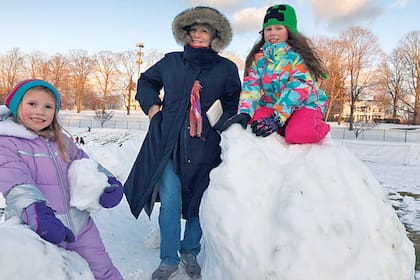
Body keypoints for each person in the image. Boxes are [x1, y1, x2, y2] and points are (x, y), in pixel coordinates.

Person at [123, 6, 241, 280]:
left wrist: (225, 122)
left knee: (199, 202)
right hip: (169, 144)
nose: (198, 35)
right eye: (194, 30)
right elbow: (146, 81)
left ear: (215, 36)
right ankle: (168, 258)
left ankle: (190, 251)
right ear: (185, 34)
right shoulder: (171, 61)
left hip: (207, 146)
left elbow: (233, 102)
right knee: (172, 201)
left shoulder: (226, 68)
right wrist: (153, 107)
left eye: (205, 31)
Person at [0, 79, 124, 280]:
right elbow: (15, 180)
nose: (40, 111)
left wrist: (107, 182)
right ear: (16, 106)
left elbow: (86, 164)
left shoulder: (60, 141)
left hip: (81, 225)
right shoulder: (6, 143)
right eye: (32, 104)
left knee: (103, 270)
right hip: (38, 228)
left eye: (48, 106)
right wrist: (36, 212)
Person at [221, 4, 330, 144]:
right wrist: (245, 112)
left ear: (289, 31)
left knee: (298, 134)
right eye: (268, 29)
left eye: (279, 28)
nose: (272, 33)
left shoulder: (297, 57)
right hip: (273, 105)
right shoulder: (258, 59)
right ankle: (286, 124)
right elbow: (251, 87)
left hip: (304, 105)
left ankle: (315, 125)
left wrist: (277, 118)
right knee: (253, 124)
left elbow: (298, 88)